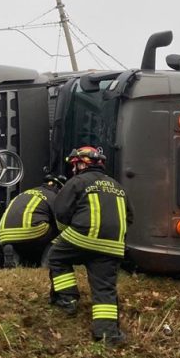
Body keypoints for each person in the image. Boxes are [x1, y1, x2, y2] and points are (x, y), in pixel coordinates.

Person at [47, 146, 133, 345]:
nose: (74, 168)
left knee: (57, 257)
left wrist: (66, 231)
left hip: (81, 237)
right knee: (104, 288)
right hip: (111, 246)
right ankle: (107, 335)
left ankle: (67, 300)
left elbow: (61, 211)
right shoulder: (118, 186)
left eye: (75, 165)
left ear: (82, 164)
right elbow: (130, 217)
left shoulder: (77, 182)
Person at [0, 174, 67, 268]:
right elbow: (61, 219)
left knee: (22, 237)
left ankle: (12, 254)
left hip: (4, 234)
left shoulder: (26, 192)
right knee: (63, 231)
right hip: (30, 232)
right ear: (59, 188)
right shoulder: (54, 196)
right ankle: (48, 262)